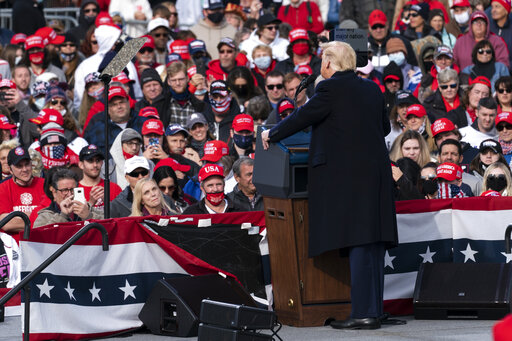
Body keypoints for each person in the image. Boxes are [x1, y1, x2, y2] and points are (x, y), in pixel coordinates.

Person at [261, 41, 397, 330]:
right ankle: (375, 309)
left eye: (323, 59)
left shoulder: (329, 88)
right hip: (376, 175)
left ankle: (363, 313)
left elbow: (302, 117)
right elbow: (384, 128)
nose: (320, 64)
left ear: (330, 63)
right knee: (372, 242)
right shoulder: (372, 88)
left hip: (348, 178)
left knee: (360, 241)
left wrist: (272, 132)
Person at [83, 86, 147, 154]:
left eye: (121, 102)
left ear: (128, 103)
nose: (119, 106)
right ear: (108, 109)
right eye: (114, 104)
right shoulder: (96, 131)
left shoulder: (145, 124)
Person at [33, 168, 103, 228]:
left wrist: (88, 216)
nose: (69, 194)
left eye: (73, 190)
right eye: (64, 190)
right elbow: (40, 239)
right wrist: (63, 216)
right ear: (54, 192)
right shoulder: (45, 216)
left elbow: (109, 227)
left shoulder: (88, 210)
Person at [0, 146, 45, 237]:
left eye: (27, 164)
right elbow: (6, 224)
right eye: (19, 166)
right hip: (14, 247)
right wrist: (39, 218)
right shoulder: (3, 188)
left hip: (42, 242)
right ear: (10, 170)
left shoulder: (44, 185)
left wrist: (19, 218)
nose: (25, 169)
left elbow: (51, 219)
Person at [78, 144, 122, 210]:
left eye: (98, 160)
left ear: (102, 163)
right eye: (90, 161)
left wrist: (107, 202)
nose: (95, 165)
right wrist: (90, 203)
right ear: (81, 165)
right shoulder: (75, 190)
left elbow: (121, 215)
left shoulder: (114, 188)